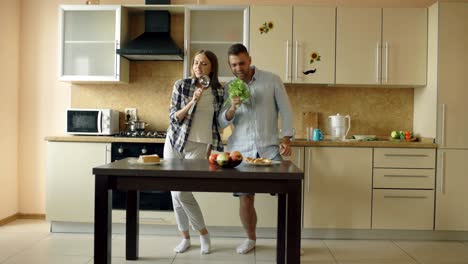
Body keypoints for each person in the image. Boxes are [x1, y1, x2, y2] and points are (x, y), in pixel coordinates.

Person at [218, 43, 294, 254]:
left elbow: (286, 110)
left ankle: (289, 240)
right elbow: (221, 123)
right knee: (245, 196)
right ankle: (250, 239)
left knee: (286, 194)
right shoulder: (228, 88)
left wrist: (286, 139)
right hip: (241, 150)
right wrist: (232, 108)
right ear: (229, 65)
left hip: (269, 147)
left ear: (250, 59)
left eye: (241, 63)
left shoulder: (271, 80)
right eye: (233, 65)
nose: (238, 68)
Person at [164, 50, 224, 254]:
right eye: (196, 63)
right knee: (175, 193)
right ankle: (185, 237)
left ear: (212, 67)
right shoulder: (181, 85)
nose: (198, 66)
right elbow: (174, 117)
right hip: (175, 142)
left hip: (200, 145)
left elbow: (221, 122)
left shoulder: (219, 92)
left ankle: (203, 234)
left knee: (182, 191)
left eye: (204, 64)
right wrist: (193, 101)